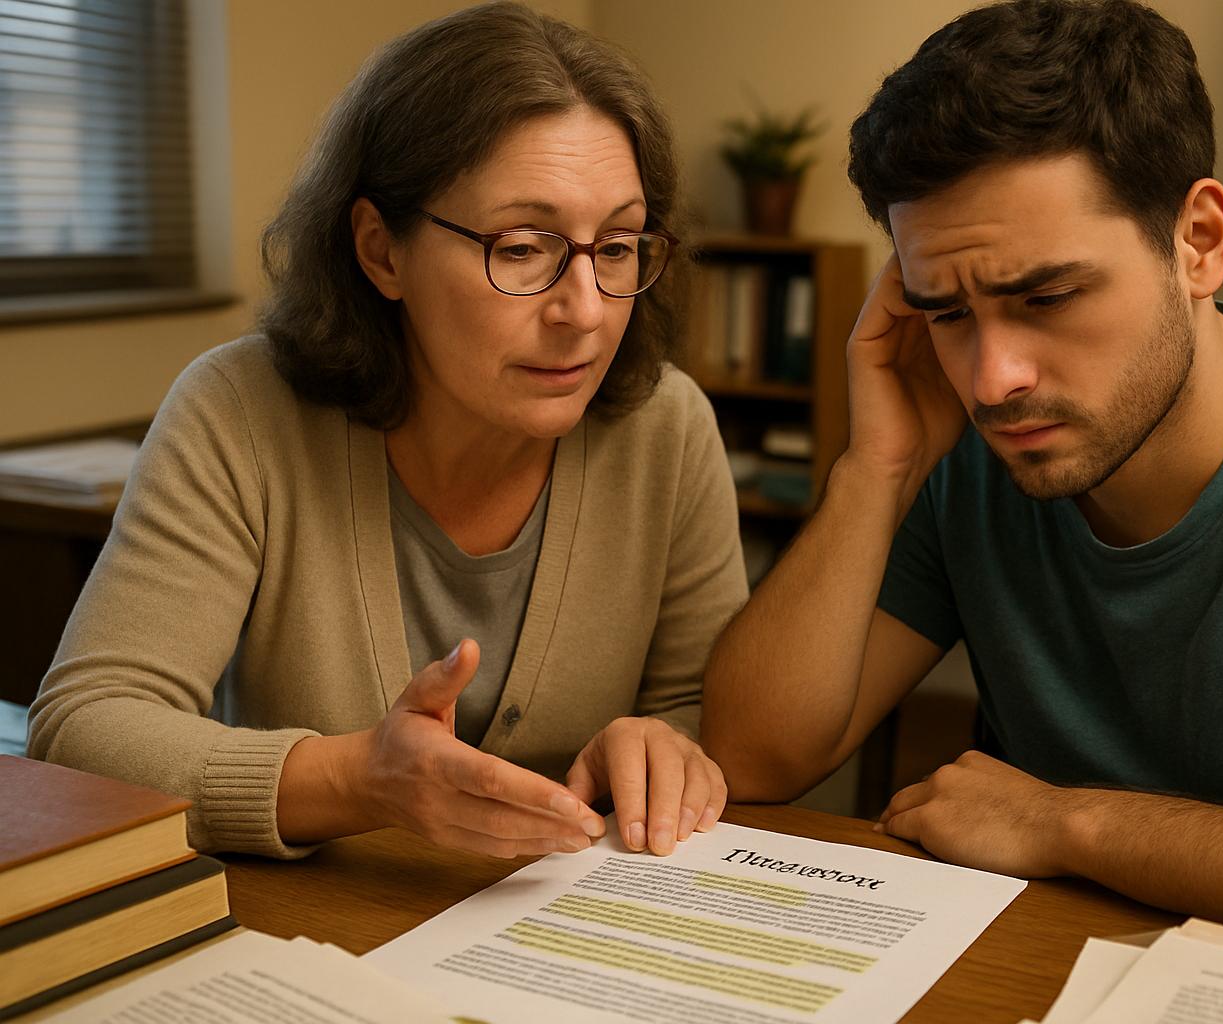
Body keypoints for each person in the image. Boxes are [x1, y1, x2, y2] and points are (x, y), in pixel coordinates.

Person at [703, 0, 1223, 984]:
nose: (992, 377)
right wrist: (873, 469)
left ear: (1199, 240)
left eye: (1046, 297)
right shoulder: (965, 446)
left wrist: (1072, 824)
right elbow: (751, 760)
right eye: (946, 311)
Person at [29, 2, 746, 863]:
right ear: (381, 250)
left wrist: (664, 748)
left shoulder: (666, 427)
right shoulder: (240, 411)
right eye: (522, 247)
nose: (586, 312)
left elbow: (698, 712)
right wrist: (354, 780)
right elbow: (84, 730)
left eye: (620, 246)